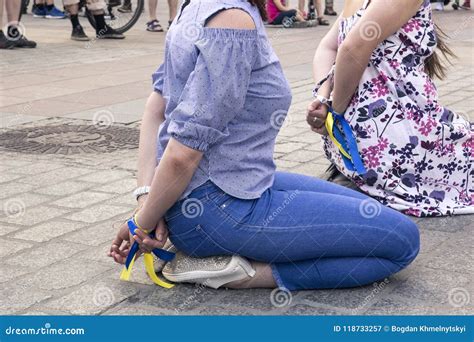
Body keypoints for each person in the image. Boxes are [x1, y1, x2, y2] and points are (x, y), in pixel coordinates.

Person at [109, 0, 420, 291]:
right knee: (402, 242)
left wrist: (147, 201)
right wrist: (143, 221)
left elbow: (155, 110)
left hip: (235, 188)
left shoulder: (196, 7)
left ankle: (223, 251)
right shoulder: (230, 20)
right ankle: (241, 276)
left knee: (374, 213)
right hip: (218, 207)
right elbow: (183, 153)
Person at [307, 0, 473, 216]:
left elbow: (328, 47)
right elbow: (351, 49)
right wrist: (334, 113)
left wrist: (324, 99)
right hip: (395, 139)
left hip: (351, 144)